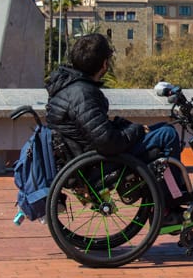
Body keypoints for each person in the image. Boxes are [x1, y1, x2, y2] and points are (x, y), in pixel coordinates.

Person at [44, 33, 185, 223]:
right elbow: (107, 142)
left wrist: (126, 126)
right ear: (104, 64)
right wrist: (136, 130)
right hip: (98, 165)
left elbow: (93, 128)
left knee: (159, 128)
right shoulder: (83, 93)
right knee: (167, 135)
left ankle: (163, 197)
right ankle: (169, 206)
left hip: (85, 157)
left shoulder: (67, 87)